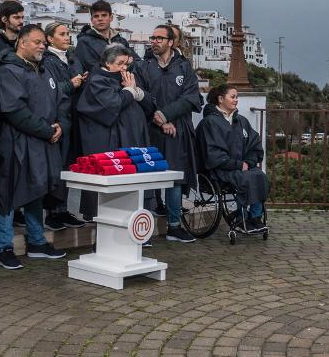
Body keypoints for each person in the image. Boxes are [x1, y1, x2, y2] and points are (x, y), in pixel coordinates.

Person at [0, 25, 68, 268]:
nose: (42, 46)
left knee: (37, 190)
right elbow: (14, 110)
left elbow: (62, 102)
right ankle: (4, 247)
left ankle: (36, 241)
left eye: (44, 42)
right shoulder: (7, 71)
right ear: (21, 43)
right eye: (37, 42)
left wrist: (61, 126)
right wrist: (47, 131)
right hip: (15, 143)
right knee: (8, 194)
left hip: (43, 143)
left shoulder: (45, 70)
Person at [137, 25, 202, 243]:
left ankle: (174, 226)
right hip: (149, 129)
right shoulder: (143, 67)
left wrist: (167, 115)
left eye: (159, 38)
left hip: (177, 130)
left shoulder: (184, 67)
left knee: (175, 177)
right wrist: (159, 118)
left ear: (171, 42)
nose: (154, 41)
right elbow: (140, 95)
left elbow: (191, 98)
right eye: (152, 37)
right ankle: (142, 232)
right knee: (146, 178)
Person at [75, 43, 152, 220]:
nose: (124, 67)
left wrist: (138, 93)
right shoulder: (97, 81)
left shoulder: (126, 78)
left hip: (132, 139)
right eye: (120, 63)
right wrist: (129, 92)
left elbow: (150, 104)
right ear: (108, 64)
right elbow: (112, 105)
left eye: (126, 63)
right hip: (109, 142)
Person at [198, 84, 269, 233]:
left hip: (241, 167)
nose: (236, 100)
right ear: (220, 99)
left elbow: (254, 143)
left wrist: (248, 162)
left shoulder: (241, 121)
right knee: (246, 179)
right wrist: (237, 164)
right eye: (233, 97)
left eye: (237, 97)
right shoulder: (210, 122)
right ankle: (241, 218)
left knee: (260, 176)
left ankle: (255, 218)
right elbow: (213, 153)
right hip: (220, 169)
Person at [40, 22, 88, 231]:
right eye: (62, 34)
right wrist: (71, 84)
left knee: (68, 166)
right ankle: (52, 212)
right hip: (58, 119)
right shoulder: (47, 61)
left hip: (73, 119)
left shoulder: (71, 58)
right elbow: (46, 89)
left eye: (68, 33)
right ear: (50, 38)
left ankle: (63, 210)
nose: (68, 37)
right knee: (56, 167)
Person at [72, 0, 130, 75]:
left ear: (111, 17)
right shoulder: (84, 42)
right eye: (96, 16)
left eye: (104, 15)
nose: (100, 19)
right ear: (92, 20)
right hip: (100, 84)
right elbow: (94, 68)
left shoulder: (122, 41)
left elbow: (134, 62)